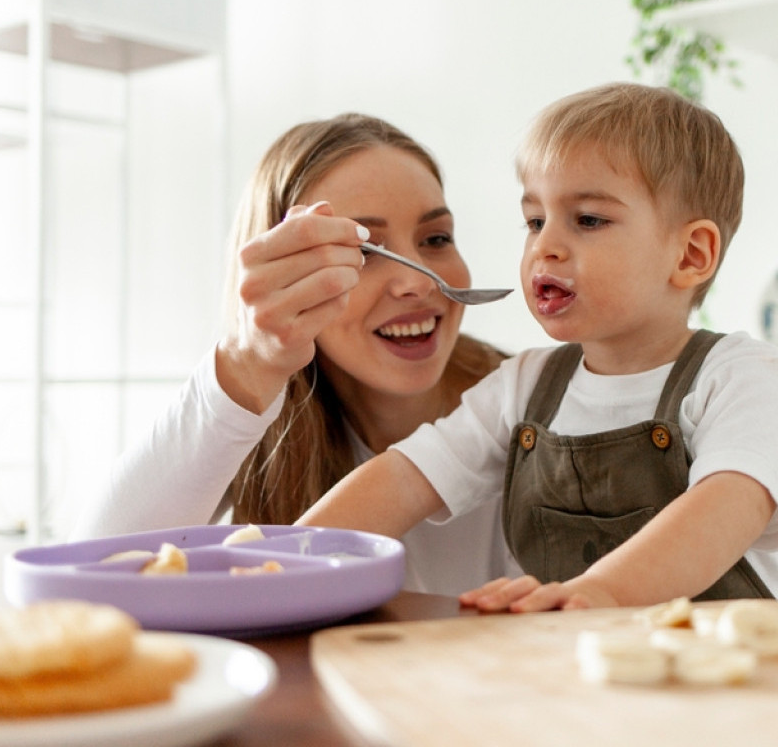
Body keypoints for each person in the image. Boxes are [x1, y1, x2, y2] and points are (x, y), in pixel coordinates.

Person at [298, 82, 778, 612]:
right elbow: (406, 478)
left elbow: (727, 506)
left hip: (738, 670)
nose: (545, 246)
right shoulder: (525, 386)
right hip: (585, 668)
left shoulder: (739, 376)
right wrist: (291, 554)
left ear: (690, 255)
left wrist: (601, 592)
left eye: (588, 220)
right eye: (535, 220)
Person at [71, 113, 522, 595]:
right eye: (366, 251)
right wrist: (249, 362)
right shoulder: (260, 423)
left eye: (436, 239)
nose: (416, 282)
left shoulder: (529, 403)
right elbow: (90, 576)